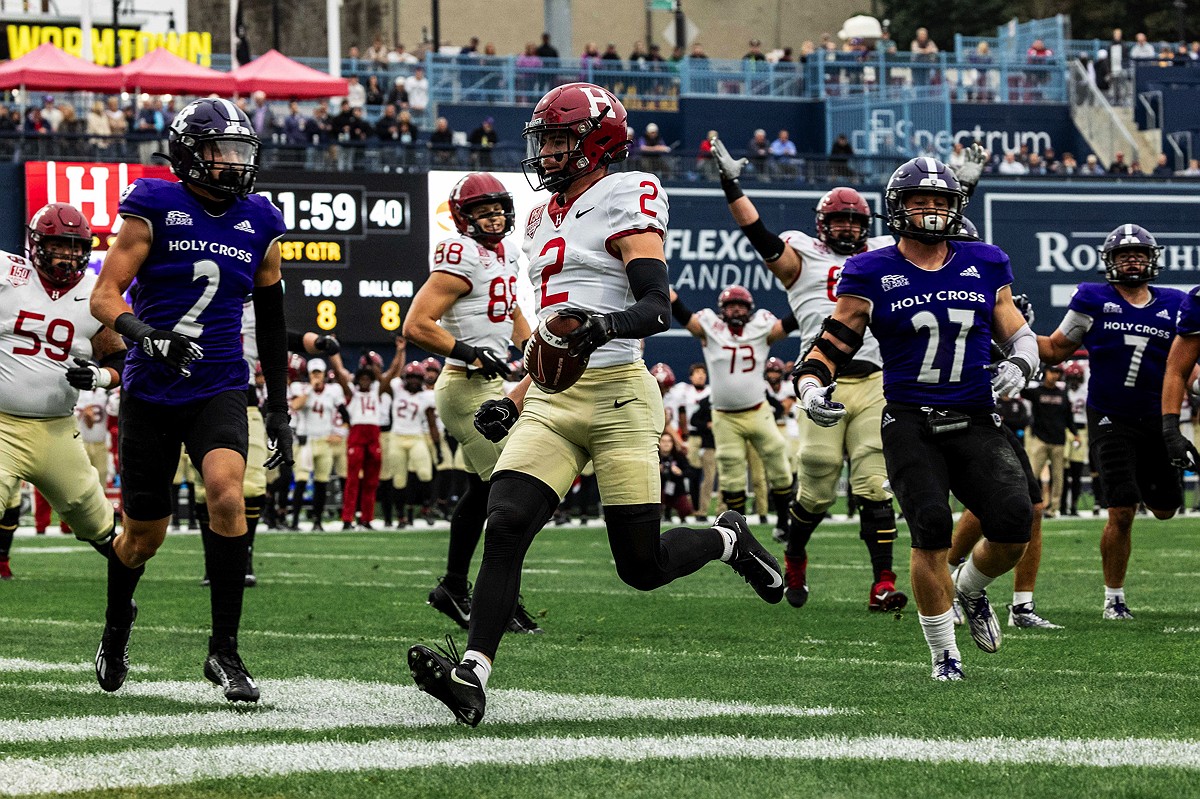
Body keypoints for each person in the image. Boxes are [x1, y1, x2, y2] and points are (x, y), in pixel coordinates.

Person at [408, 83, 783, 726]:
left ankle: (728, 539)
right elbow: (552, 329)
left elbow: (655, 307)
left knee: (641, 566)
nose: (545, 152)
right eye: (544, 140)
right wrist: (520, 392)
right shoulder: (536, 214)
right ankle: (473, 674)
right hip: (552, 398)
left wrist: (598, 330)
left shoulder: (626, 194)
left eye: (558, 139)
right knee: (505, 524)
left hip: (617, 396)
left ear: (596, 141)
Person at [794, 157, 1037, 680]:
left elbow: (1017, 331)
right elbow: (837, 338)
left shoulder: (987, 261)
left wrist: (1021, 361)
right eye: (920, 201)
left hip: (975, 412)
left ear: (957, 208)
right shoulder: (871, 268)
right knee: (930, 527)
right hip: (908, 417)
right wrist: (810, 381)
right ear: (897, 207)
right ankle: (944, 654)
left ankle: (970, 589)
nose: (932, 210)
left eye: (942, 201)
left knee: (1015, 525)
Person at [88, 98, 290, 702]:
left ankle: (224, 653)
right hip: (151, 388)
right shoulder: (152, 205)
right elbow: (104, 297)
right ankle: (116, 627)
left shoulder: (262, 218)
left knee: (227, 493)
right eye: (218, 152)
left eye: (238, 152)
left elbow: (275, 320)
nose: (231, 165)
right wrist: (147, 337)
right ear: (187, 155)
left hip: (220, 380)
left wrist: (277, 404)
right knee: (141, 536)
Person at [711, 135, 930, 612]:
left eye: (855, 221)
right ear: (821, 225)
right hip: (820, 382)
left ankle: (883, 583)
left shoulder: (887, 257)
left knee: (875, 483)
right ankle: (793, 551)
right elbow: (761, 236)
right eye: (840, 220)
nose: (848, 228)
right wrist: (731, 185)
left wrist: (964, 187)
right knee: (818, 484)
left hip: (877, 381)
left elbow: (937, 243)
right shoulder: (801, 257)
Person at [402, 172, 539, 634]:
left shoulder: (503, 254)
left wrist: (533, 347)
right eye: (483, 211)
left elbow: (511, 310)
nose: (495, 216)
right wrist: (471, 351)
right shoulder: (457, 254)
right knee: (511, 491)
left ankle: (454, 588)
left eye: (499, 207)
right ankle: (497, 596)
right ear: (464, 218)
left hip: (492, 386)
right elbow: (417, 324)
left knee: (483, 494)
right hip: (465, 386)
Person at [1038, 225, 1184, 620]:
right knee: (1121, 509)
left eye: (1138, 254)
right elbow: (1055, 348)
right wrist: (1013, 333)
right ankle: (1113, 597)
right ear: (1110, 261)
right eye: (1123, 255)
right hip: (1109, 415)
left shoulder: (1176, 303)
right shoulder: (1093, 299)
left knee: (1167, 509)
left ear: (1152, 260)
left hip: (1157, 416)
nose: (1132, 260)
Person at [0, 203, 127, 582]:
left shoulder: (94, 294)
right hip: (2, 426)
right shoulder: (9, 274)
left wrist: (100, 377)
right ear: (36, 243)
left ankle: (124, 597)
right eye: (58, 244)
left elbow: (120, 359)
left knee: (94, 516)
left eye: (75, 247)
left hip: (55, 428)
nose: (67, 254)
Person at [670, 286, 793, 534]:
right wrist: (667, 292)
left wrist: (805, 303)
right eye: (731, 305)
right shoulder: (710, 328)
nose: (736, 309)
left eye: (741, 305)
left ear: (750, 310)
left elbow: (785, 326)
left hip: (758, 410)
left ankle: (783, 520)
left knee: (778, 460)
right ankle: (740, 531)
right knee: (731, 471)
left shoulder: (761, 327)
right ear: (721, 310)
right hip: (724, 415)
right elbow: (684, 315)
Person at [327, 347, 401, 529]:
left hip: (373, 435)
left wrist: (399, 351)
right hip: (357, 435)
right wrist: (333, 353)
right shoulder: (352, 392)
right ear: (358, 379)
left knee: (371, 481)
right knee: (352, 480)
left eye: (368, 378)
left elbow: (392, 372)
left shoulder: (378, 390)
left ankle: (367, 519)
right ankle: (347, 519)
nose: (366, 381)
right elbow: (339, 372)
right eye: (363, 378)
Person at [290, 359, 343, 530]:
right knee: (301, 480)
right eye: (313, 373)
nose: (316, 375)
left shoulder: (333, 391)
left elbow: (345, 415)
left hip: (325, 440)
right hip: (307, 441)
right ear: (309, 374)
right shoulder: (301, 388)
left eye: (319, 372)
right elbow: (295, 405)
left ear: (324, 373)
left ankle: (317, 522)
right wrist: (311, 389)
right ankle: (295, 522)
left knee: (321, 483)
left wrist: (340, 434)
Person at [1022, 364, 1080, 518]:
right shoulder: (1037, 392)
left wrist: (1075, 434)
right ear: (1045, 372)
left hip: (1058, 440)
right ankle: (1030, 506)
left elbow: (1069, 417)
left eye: (1058, 372)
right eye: (1052, 371)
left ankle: (1052, 509)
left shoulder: (1062, 394)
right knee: (1032, 474)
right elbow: (1021, 390)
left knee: (1058, 478)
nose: (1055, 375)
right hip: (1040, 439)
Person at [1061, 361, 1089, 516]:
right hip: (1066, 431)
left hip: (1081, 430)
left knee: (1076, 472)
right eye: (1071, 378)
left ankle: (1074, 506)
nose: (1074, 382)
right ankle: (1063, 507)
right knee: (1063, 471)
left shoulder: (1086, 393)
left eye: (1077, 378)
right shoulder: (1063, 392)